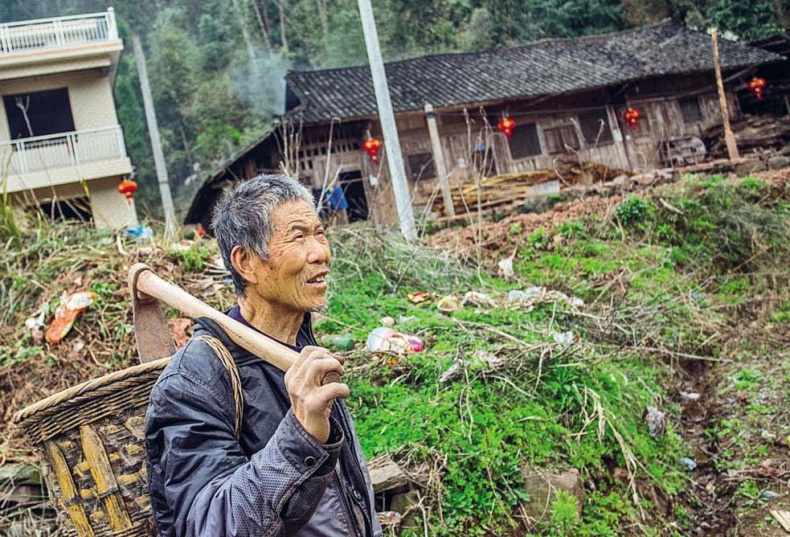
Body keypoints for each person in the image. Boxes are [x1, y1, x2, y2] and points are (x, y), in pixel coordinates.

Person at [145, 174, 382, 537]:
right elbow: (208, 526)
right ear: (246, 263)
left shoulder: (303, 350)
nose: (320, 252)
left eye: (319, 233)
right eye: (298, 237)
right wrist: (300, 438)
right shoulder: (195, 380)